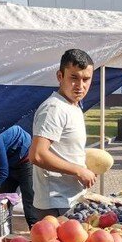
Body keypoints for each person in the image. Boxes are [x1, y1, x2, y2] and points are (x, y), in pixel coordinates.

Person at [28, 49, 97, 221]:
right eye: (74, 78)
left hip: (70, 199)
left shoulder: (73, 106)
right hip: (56, 203)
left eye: (86, 79)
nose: (80, 85)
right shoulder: (54, 108)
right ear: (60, 76)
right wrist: (79, 171)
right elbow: (37, 154)